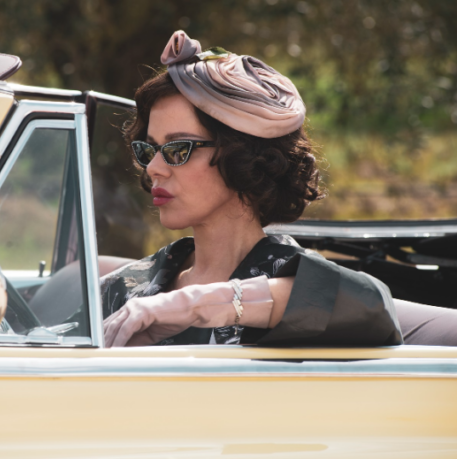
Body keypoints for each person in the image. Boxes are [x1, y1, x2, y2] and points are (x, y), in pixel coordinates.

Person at [102, 31, 404, 347]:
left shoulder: (288, 276)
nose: (153, 168)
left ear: (243, 154)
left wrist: (194, 303)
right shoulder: (128, 285)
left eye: (178, 149)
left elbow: (373, 305)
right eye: (149, 149)